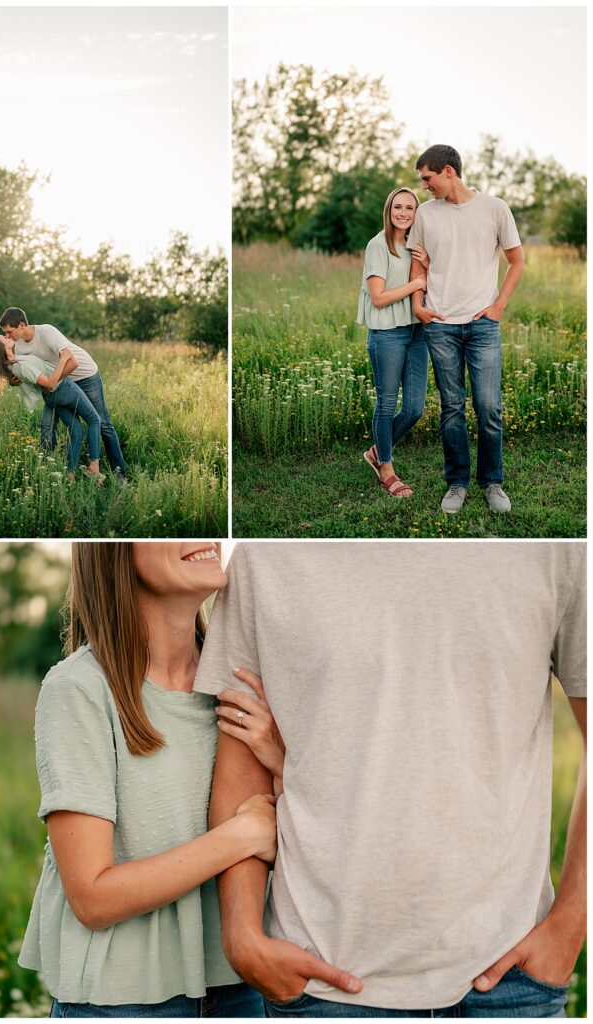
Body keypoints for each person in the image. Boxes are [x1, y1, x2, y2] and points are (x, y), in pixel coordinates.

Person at [194, 541, 586, 1019]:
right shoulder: (264, 557)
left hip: (509, 984)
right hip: (322, 984)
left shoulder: (557, 551)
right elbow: (240, 752)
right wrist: (242, 935)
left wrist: (569, 923)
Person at [18, 542, 285, 1018]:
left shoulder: (240, 684)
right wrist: (240, 836)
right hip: (124, 1000)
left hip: (241, 987)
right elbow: (93, 898)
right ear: (114, 552)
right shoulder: (79, 690)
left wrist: (282, 764)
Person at [407, 144, 525, 514]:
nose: (423, 185)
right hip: (440, 325)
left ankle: (492, 482)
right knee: (452, 408)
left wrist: (498, 307)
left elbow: (517, 261)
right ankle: (457, 483)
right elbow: (417, 264)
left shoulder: (495, 208)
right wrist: (417, 306)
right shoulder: (425, 215)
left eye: (427, 178)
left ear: (448, 172)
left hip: (482, 326)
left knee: (489, 407)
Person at [357, 188, 430, 498]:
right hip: (387, 333)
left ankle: (377, 449)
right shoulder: (379, 245)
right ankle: (385, 467)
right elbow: (379, 297)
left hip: (416, 332)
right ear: (388, 210)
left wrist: (427, 263)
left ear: (416, 212)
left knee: (414, 407)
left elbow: (430, 281)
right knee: (387, 404)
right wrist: (414, 283)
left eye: (410, 207)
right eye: (397, 207)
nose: (403, 212)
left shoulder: (415, 244)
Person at [0, 308, 128, 480]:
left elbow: (72, 363)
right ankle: (56, 472)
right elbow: (33, 372)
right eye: (4, 333)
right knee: (50, 424)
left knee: (102, 422)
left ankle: (120, 474)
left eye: (9, 331)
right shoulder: (19, 346)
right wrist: (17, 382)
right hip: (61, 384)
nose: (7, 336)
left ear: (21, 325)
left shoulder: (47, 332)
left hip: (84, 375)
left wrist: (52, 382)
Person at [0, 335, 103, 481]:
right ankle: (94, 466)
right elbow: (50, 383)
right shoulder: (20, 365)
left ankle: (70, 474)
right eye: (3, 338)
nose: (6, 336)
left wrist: (12, 381)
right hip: (62, 388)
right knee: (94, 419)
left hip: (52, 398)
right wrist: (64, 360)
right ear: (3, 348)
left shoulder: (13, 363)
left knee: (76, 431)